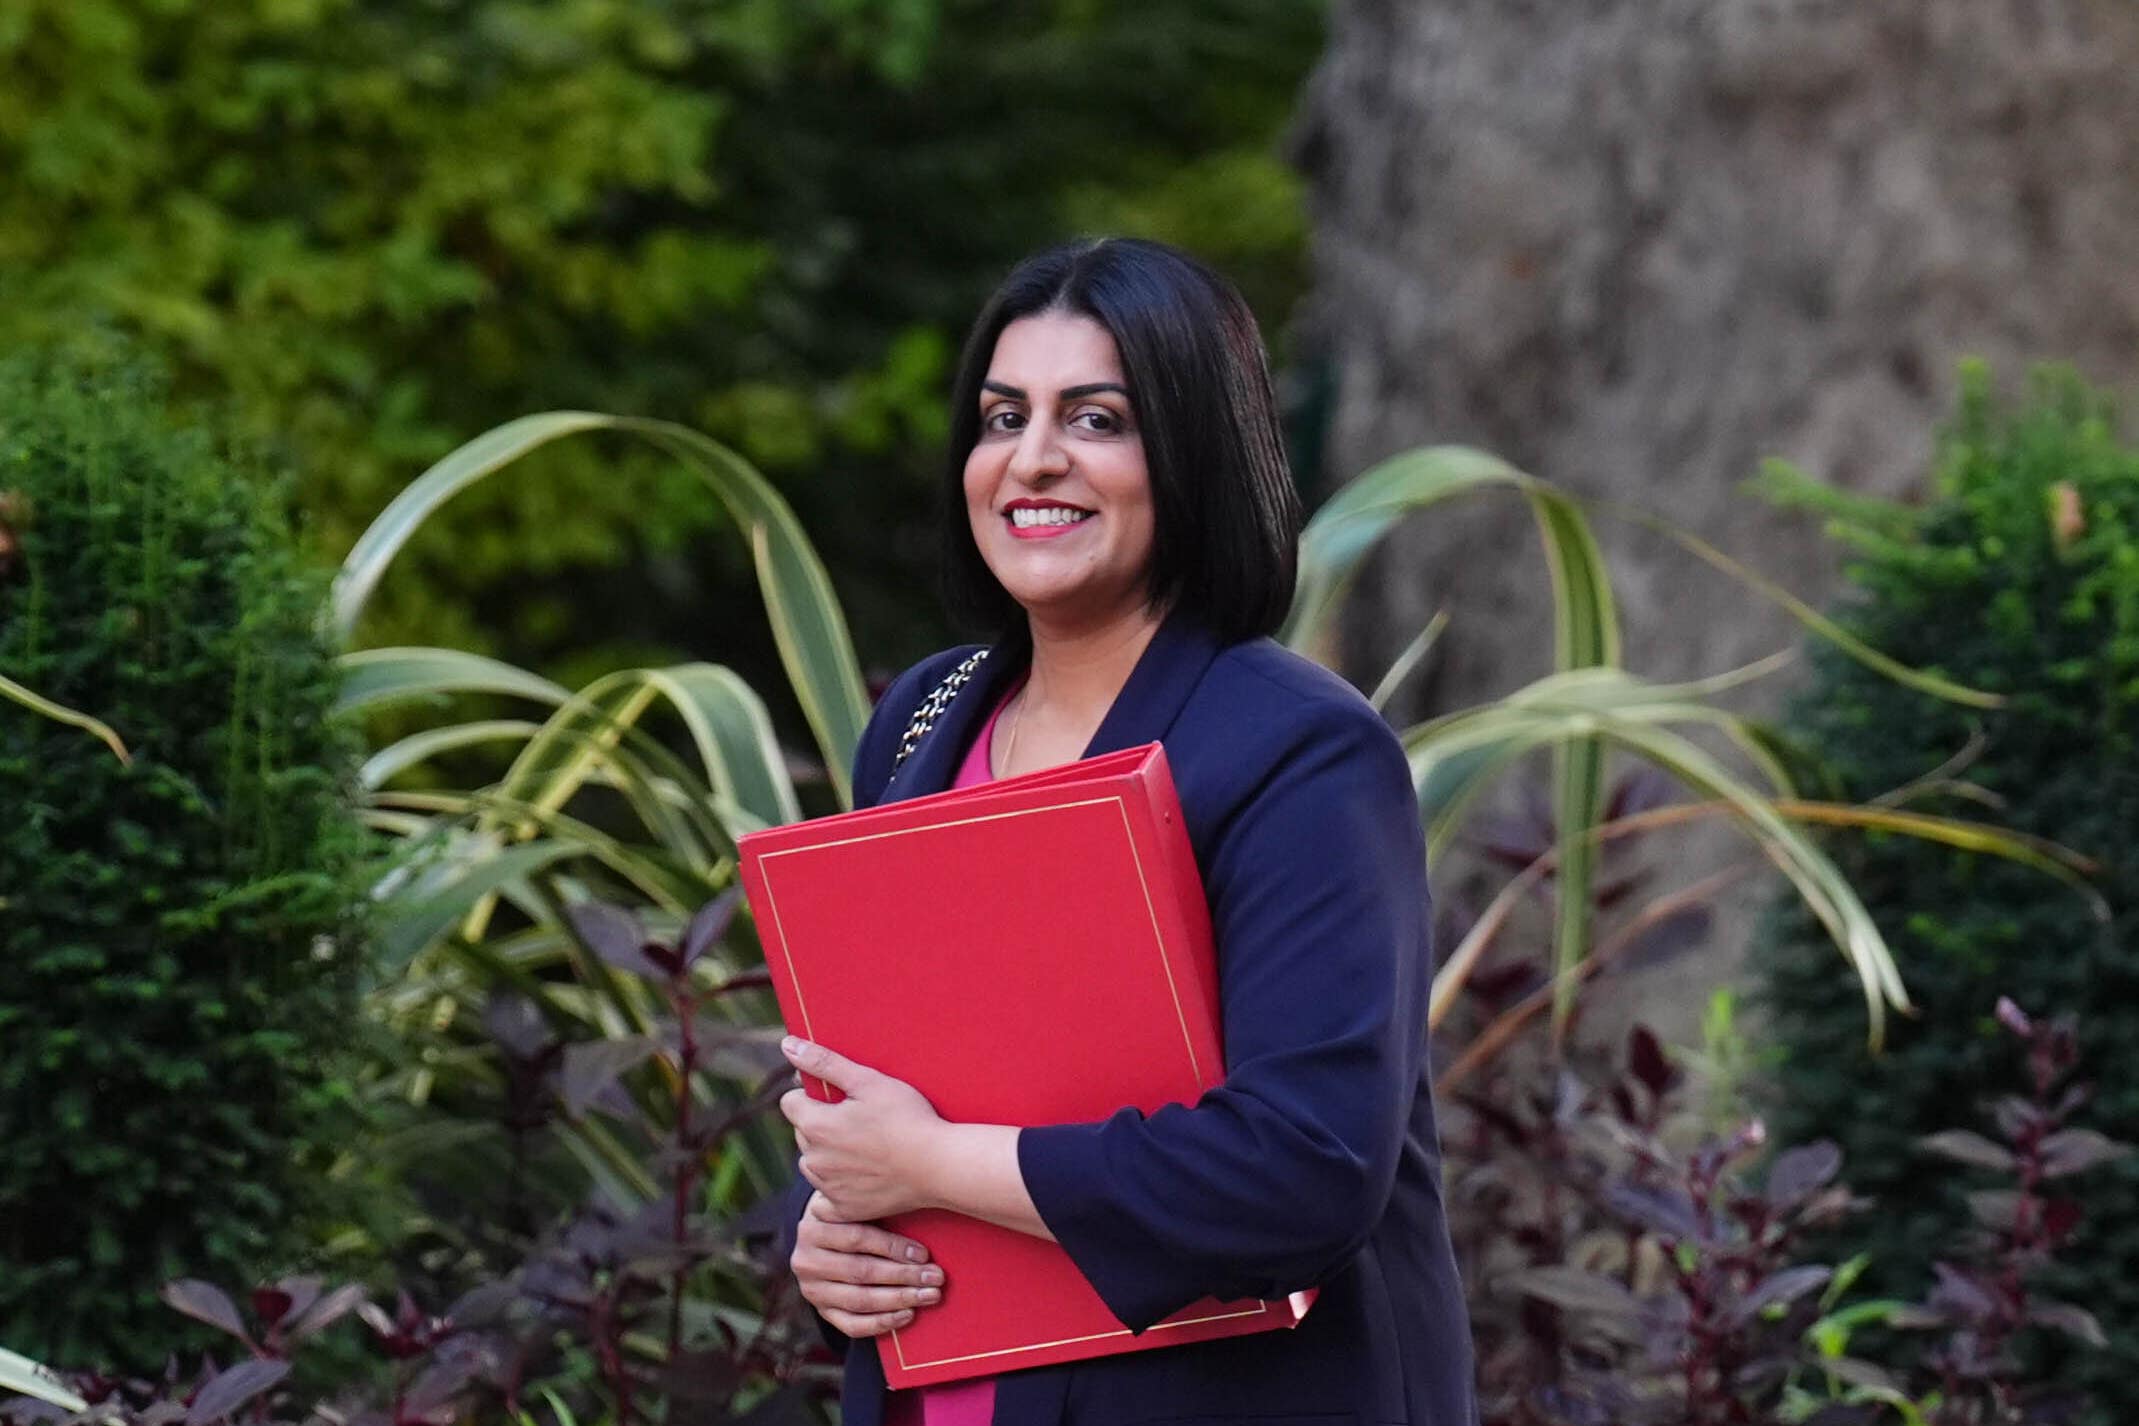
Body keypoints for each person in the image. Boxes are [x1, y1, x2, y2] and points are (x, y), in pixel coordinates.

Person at [775, 237, 1478, 1426]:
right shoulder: (926, 719)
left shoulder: (1300, 751)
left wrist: (932, 1164)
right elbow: (883, 1087)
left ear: (1193, 453)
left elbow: (1306, 1167)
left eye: (1096, 420)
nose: (1031, 460)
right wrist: (834, 1242)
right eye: (1002, 417)